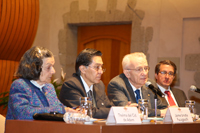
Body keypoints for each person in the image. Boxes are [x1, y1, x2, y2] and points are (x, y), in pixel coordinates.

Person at [6, 46, 76, 120]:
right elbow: (23, 114)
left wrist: (74, 110)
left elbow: (59, 107)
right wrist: (61, 110)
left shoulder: (49, 87)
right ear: (34, 68)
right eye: (48, 67)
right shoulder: (20, 85)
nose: (53, 71)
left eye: (53, 66)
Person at [107, 52, 167, 117]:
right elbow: (127, 111)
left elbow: (164, 108)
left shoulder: (150, 84)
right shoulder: (117, 84)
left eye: (146, 68)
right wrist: (159, 112)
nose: (144, 73)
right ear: (127, 73)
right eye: (139, 69)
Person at [59, 48, 112, 119]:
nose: (101, 71)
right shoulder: (71, 85)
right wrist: (113, 111)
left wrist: (122, 110)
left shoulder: (99, 85)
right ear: (83, 69)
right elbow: (87, 112)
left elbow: (108, 107)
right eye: (97, 67)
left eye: (101, 67)